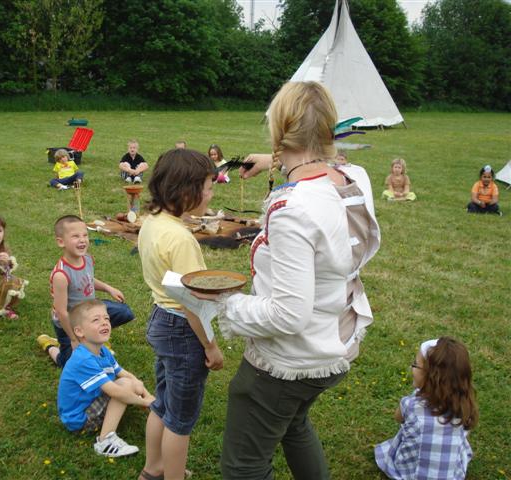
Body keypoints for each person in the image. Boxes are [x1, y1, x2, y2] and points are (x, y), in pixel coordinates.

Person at [194, 81, 380, 479]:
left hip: (291, 358)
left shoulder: (293, 208)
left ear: (279, 130)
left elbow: (288, 314)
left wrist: (222, 302)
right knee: (294, 424)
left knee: (244, 467)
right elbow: (329, 162)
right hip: (336, 339)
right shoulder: (354, 178)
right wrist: (273, 161)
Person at [137, 148, 224, 480]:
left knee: (163, 402)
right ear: (187, 191)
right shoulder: (181, 239)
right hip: (183, 328)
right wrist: (211, 346)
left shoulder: (153, 223)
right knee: (180, 420)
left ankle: (153, 469)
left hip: (161, 319)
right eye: (208, 188)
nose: (211, 194)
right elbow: (192, 303)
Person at [57, 299, 155, 457]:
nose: (104, 322)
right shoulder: (83, 359)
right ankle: (105, 441)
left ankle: (146, 404)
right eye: (96, 320)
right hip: (80, 419)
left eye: (106, 318)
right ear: (79, 332)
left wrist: (146, 394)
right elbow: (115, 391)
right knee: (123, 387)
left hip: (91, 402)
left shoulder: (102, 351)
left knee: (129, 383)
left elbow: (123, 373)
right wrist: (144, 402)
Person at [37, 215, 135, 367]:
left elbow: (88, 279)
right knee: (69, 363)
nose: (82, 240)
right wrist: (74, 339)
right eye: (75, 236)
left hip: (89, 311)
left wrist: (108, 288)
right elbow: (61, 312)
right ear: (61, 242)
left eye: (85, 235)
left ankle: (93, 336)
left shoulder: (87, 259)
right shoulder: (61, 275)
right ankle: (50, 344)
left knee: (125, 312)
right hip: (70, 321)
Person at [375, 337, 478, 480]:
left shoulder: (411, 405)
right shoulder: (464, 405)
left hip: (413, 474)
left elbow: (398, 418)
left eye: (415, 364)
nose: (412, 368)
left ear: (431, 376)